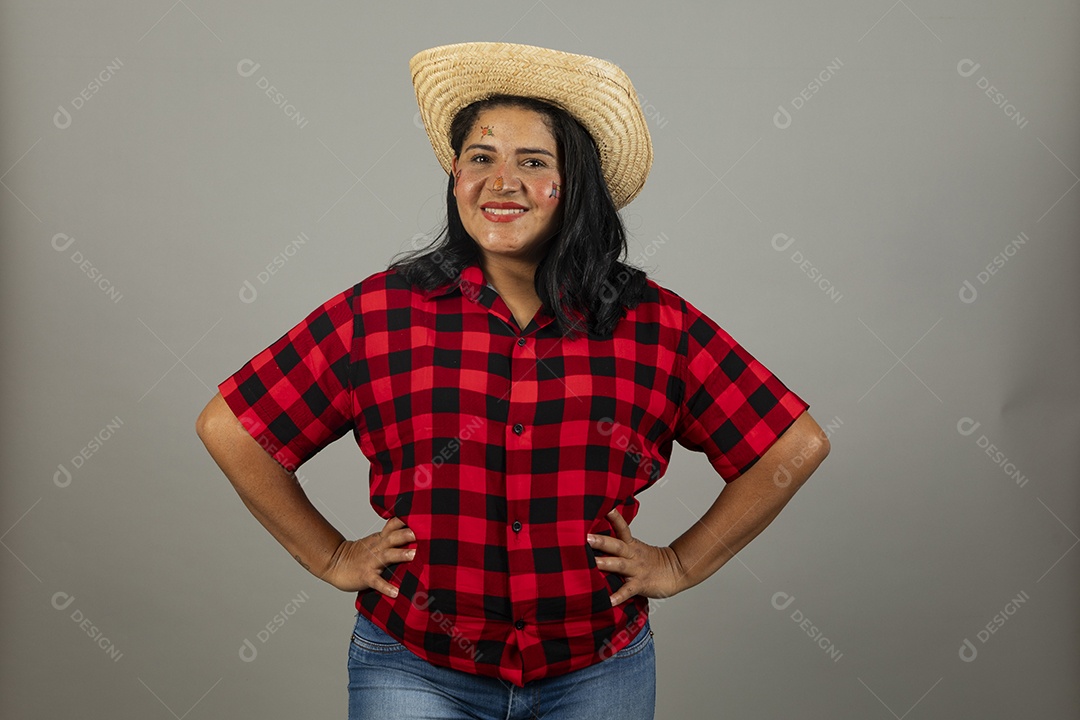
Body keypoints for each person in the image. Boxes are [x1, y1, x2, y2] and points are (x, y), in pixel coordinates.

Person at [196, 41, 830, 720]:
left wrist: (677, 564)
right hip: (415, 668)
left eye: (533, 162)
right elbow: (232, 428)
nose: (502, 183)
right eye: (481, 158)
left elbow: (793, 446)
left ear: (574, 185)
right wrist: (328, 558)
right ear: (455, 176)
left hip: (597, 671)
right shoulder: (381, 312)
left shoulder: (654, 324)